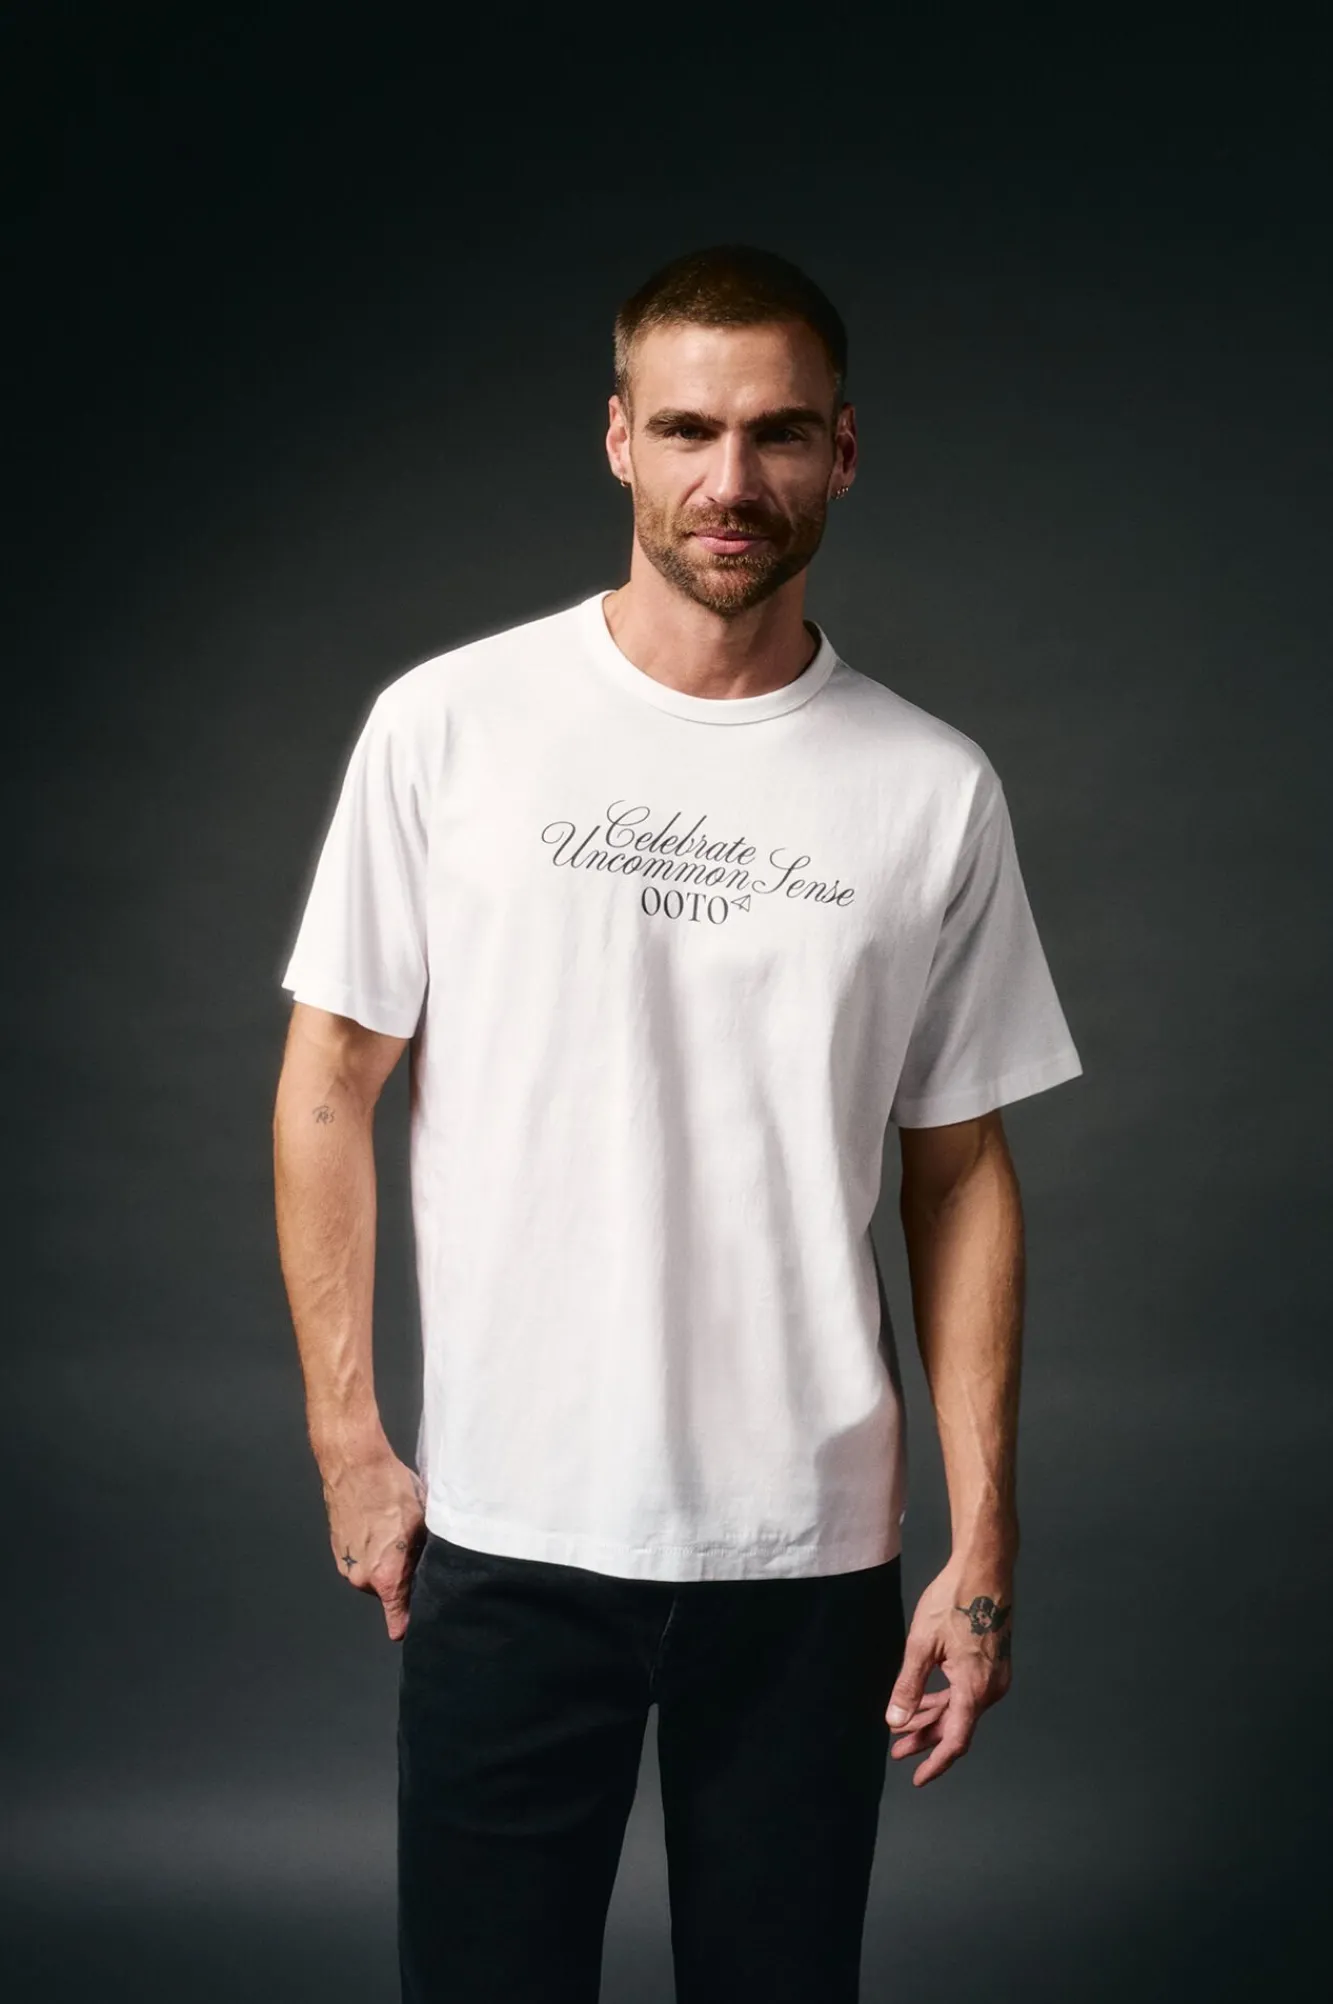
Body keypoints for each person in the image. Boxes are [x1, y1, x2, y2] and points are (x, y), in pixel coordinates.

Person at [272, 242, 1084, 2003]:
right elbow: (329, 1076)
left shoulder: (932, 789)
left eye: (779, 433)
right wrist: (350, 1442)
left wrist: (984, 1542)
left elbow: (958, 1171)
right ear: (618, 438)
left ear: (842, 452)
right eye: (690, 430)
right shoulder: (451, 729)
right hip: (509, 1528)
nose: (734, 480)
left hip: (811, 1552)